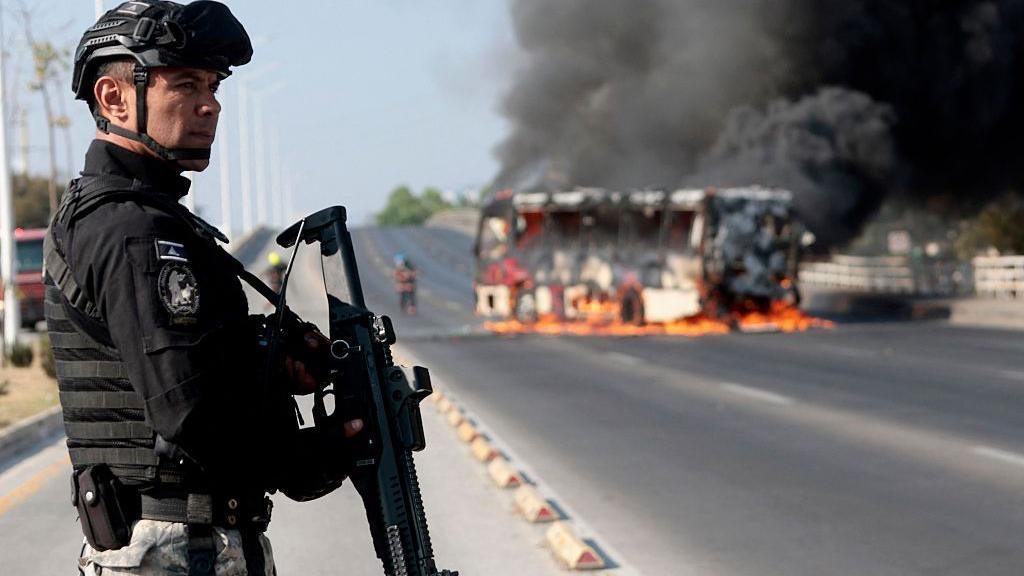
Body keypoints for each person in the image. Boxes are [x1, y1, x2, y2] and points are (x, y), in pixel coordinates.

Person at [44, 2, 361, 574]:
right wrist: (311, 455)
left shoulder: (152, 218)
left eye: (213, 85)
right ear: (114, 98)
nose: (210, 104)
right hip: (175, 549)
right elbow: (190, 413)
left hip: (190, 543)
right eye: (184, 84)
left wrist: (268, 358)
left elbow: (192, 365)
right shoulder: (133, 230)